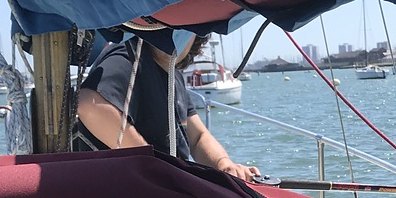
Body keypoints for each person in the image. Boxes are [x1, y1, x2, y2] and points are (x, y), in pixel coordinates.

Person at [73, 31, 259, 181]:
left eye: (187, 27)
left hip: (168, 192)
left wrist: (224, 165)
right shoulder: (129, 55)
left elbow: (198, 137)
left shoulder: (174, 76)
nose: (176, 31)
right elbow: (89, 105)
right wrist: (153, 163)